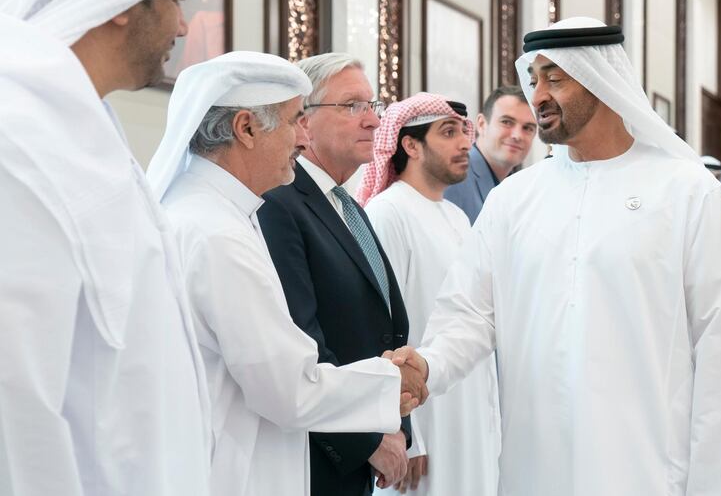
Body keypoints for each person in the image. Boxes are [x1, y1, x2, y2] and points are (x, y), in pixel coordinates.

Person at [390, 18, 721, 495]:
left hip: (647, 470)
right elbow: (469, 314)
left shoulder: (685, 190)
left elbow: (718, 350)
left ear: (602, 80)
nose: (538, 95)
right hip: (534, 470)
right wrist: (426, 366)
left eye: (554, 79)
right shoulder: (515, 199)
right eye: (534, 79)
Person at [146, 52, 427, 496]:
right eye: (295, 120)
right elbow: (289, 388)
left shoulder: (216, 213)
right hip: (235, 470)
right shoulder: (217, 233)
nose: (303, 137)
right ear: (247, 128)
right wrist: (393, 380)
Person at [0, 0, 211, 495]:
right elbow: (14, 414)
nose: (183, 28)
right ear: (123, 0)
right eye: (174, 1)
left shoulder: (81, 126)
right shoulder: (18, 142)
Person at [257, 53, 413, 496]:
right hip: (314, 461)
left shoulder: (347, 206)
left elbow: (384, 330)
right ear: (302, 122)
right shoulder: (280, 203)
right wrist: (365, 439)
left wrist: (396, 425)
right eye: (352, 107)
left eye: (373, 105)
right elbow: (301, 341)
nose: (372, 121)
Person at [358, 93, 501, 496]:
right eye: (448, 132)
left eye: (464, 132)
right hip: (425, 422)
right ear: (410, 145)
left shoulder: (456, 216)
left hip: (468, 410)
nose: (464, 144)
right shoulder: (389, 212)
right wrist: (407, 434)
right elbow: (380, 327)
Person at [444, 86, 537, 224]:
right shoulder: (455, 177)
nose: (517, 135)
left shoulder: (519, 187)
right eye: (507, 122)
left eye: (528, 128)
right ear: (481, 124)